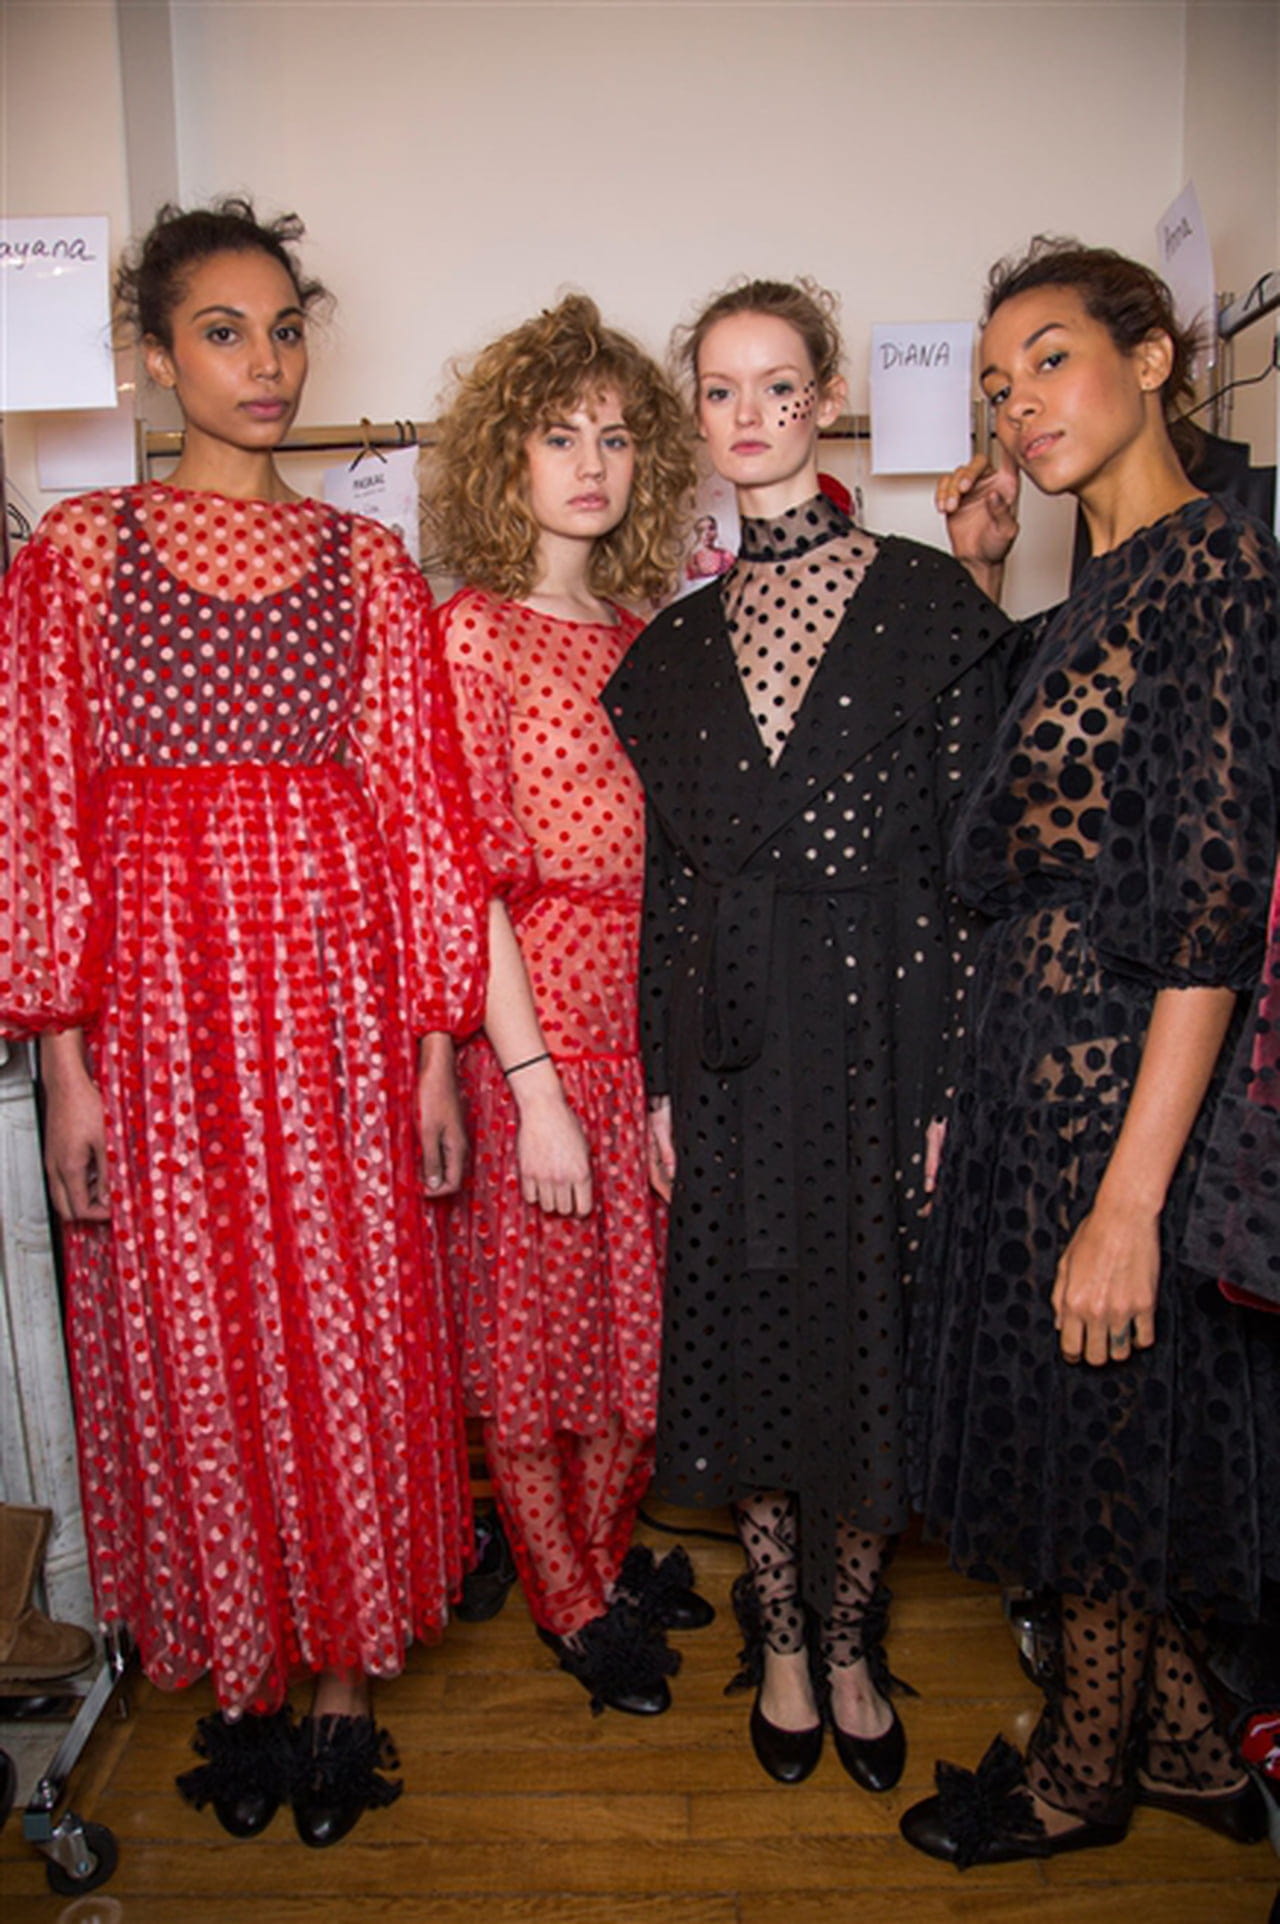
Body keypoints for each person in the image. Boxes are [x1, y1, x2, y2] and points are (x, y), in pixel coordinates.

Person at [0, 199, 490, 1848]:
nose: (266, 362)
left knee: (343, 1316)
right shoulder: (81, 554)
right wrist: (66, 1062)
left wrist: (435, 1048)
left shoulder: (369, 566)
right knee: (189, 1325)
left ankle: (342, 1679)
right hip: (157, 1013)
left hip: (339, 1006)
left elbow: (424, 820)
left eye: (285, 330)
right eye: (223, 331)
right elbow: (39, 814)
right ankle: (245, 1671)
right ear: (154, 356)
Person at [901, 238, 1280, 1867]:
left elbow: (1212, 911)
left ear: (1157, 357)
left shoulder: (1218, 571)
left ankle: (1080, 1775)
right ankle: (1189, 1751)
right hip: (1031, 1078)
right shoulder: (1099, 589)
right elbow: (1022, 800)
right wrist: (983, 576)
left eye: (1051, 358)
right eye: (1000, 385)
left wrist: (1130, 1203)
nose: (1021, 405)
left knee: (1106, 1442)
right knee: (1075, 1429)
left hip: (1121, 1090)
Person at [604, 278, 1010, 1787]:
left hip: (879, 1031)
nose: (750, 413)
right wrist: (657, 1084)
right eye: (720, 389)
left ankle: (850, 1637)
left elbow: (967, 871)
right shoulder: (672, 648)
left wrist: (950, 1081)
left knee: (862, 1341)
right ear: (696, 415)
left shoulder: (926, 601)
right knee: (745, 1334)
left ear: (824, 397)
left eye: (778, 384)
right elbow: (667, 890)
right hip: (728, 1044)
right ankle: (777, 1635)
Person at [428, 294, 710, 1716]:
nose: (590, 463)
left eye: (614, 435)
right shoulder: (472, 634)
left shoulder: (649, 633)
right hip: (532, 1043)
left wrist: (666, 1077)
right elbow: (466, 881)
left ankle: (597, 1561)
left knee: (631, 1343)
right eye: (558, 434)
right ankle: (570, 1600)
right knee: (538, 1355)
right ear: (506, 456)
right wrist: (536, 1090)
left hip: (640, 1042)